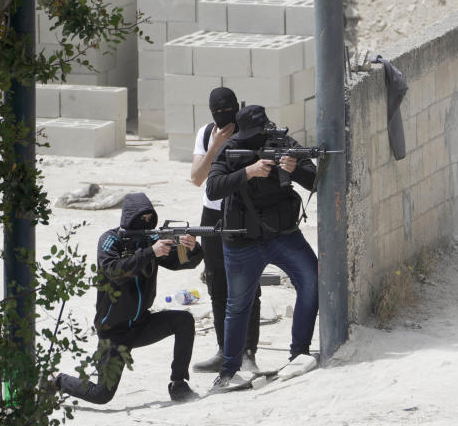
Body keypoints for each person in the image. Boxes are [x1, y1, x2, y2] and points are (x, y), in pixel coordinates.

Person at [205, 104, 319, 391]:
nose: (259, 139)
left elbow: (315, 179)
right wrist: (249, 171)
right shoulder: (232, 147)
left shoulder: (282, 143)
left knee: (312, 280)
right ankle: (229, 370)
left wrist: (294, 171)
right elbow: (213, 187)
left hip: (281, 234)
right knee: (237, 305)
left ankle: (299, 353)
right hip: (242, 240)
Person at [53, 193, 203, 403]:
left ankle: (178, 384)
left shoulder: (151, 239)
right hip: (114, 331)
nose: (147, 221)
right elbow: (114, 271)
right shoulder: (110, 240)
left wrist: (193, 249)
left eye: (150, 217)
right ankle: (58, 381)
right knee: (102, 394)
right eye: (142, 218)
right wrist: (150, 252)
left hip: (142, 323)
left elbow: (181, 263)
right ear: (129, 217)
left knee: (184, 321)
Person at [189, 87, 262, 374]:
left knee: (247, 285)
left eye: (226, 111)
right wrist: (215, 147)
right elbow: (197, 178)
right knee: (217, 284)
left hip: (243, 213)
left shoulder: (251, 130)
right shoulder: (207, 133)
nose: (222, 118)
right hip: (212, 214)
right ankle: (224, 350)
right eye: (217, 114)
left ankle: (248, 353)